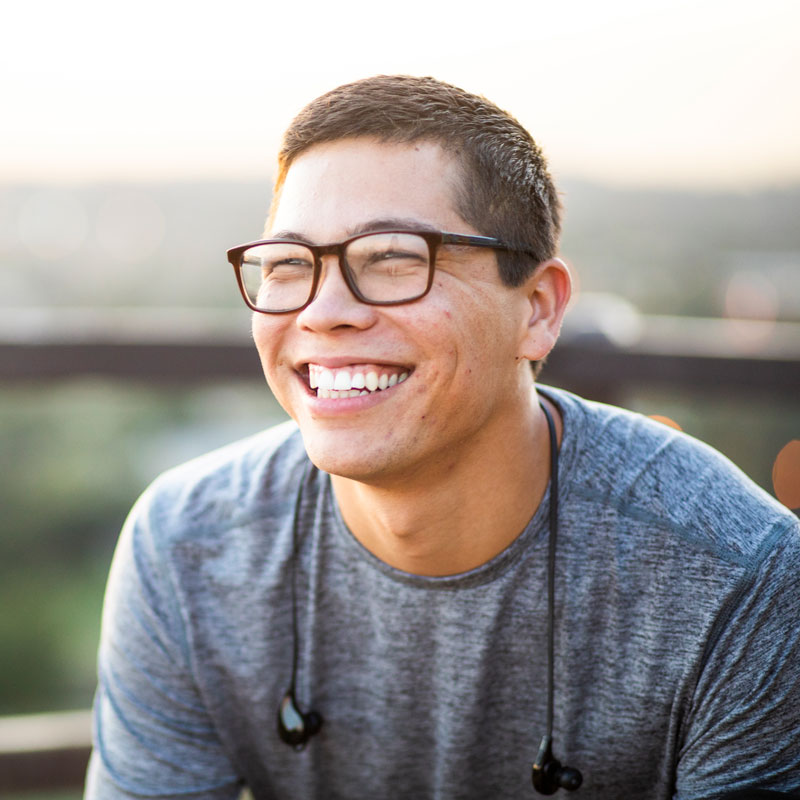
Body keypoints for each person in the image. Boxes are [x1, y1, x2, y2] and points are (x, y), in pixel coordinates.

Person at [85, 75, 800, 799]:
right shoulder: (188, 546)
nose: (324, 311)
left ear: (538, 310)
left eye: (394, 258)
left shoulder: (735, 580)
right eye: (289, 265)